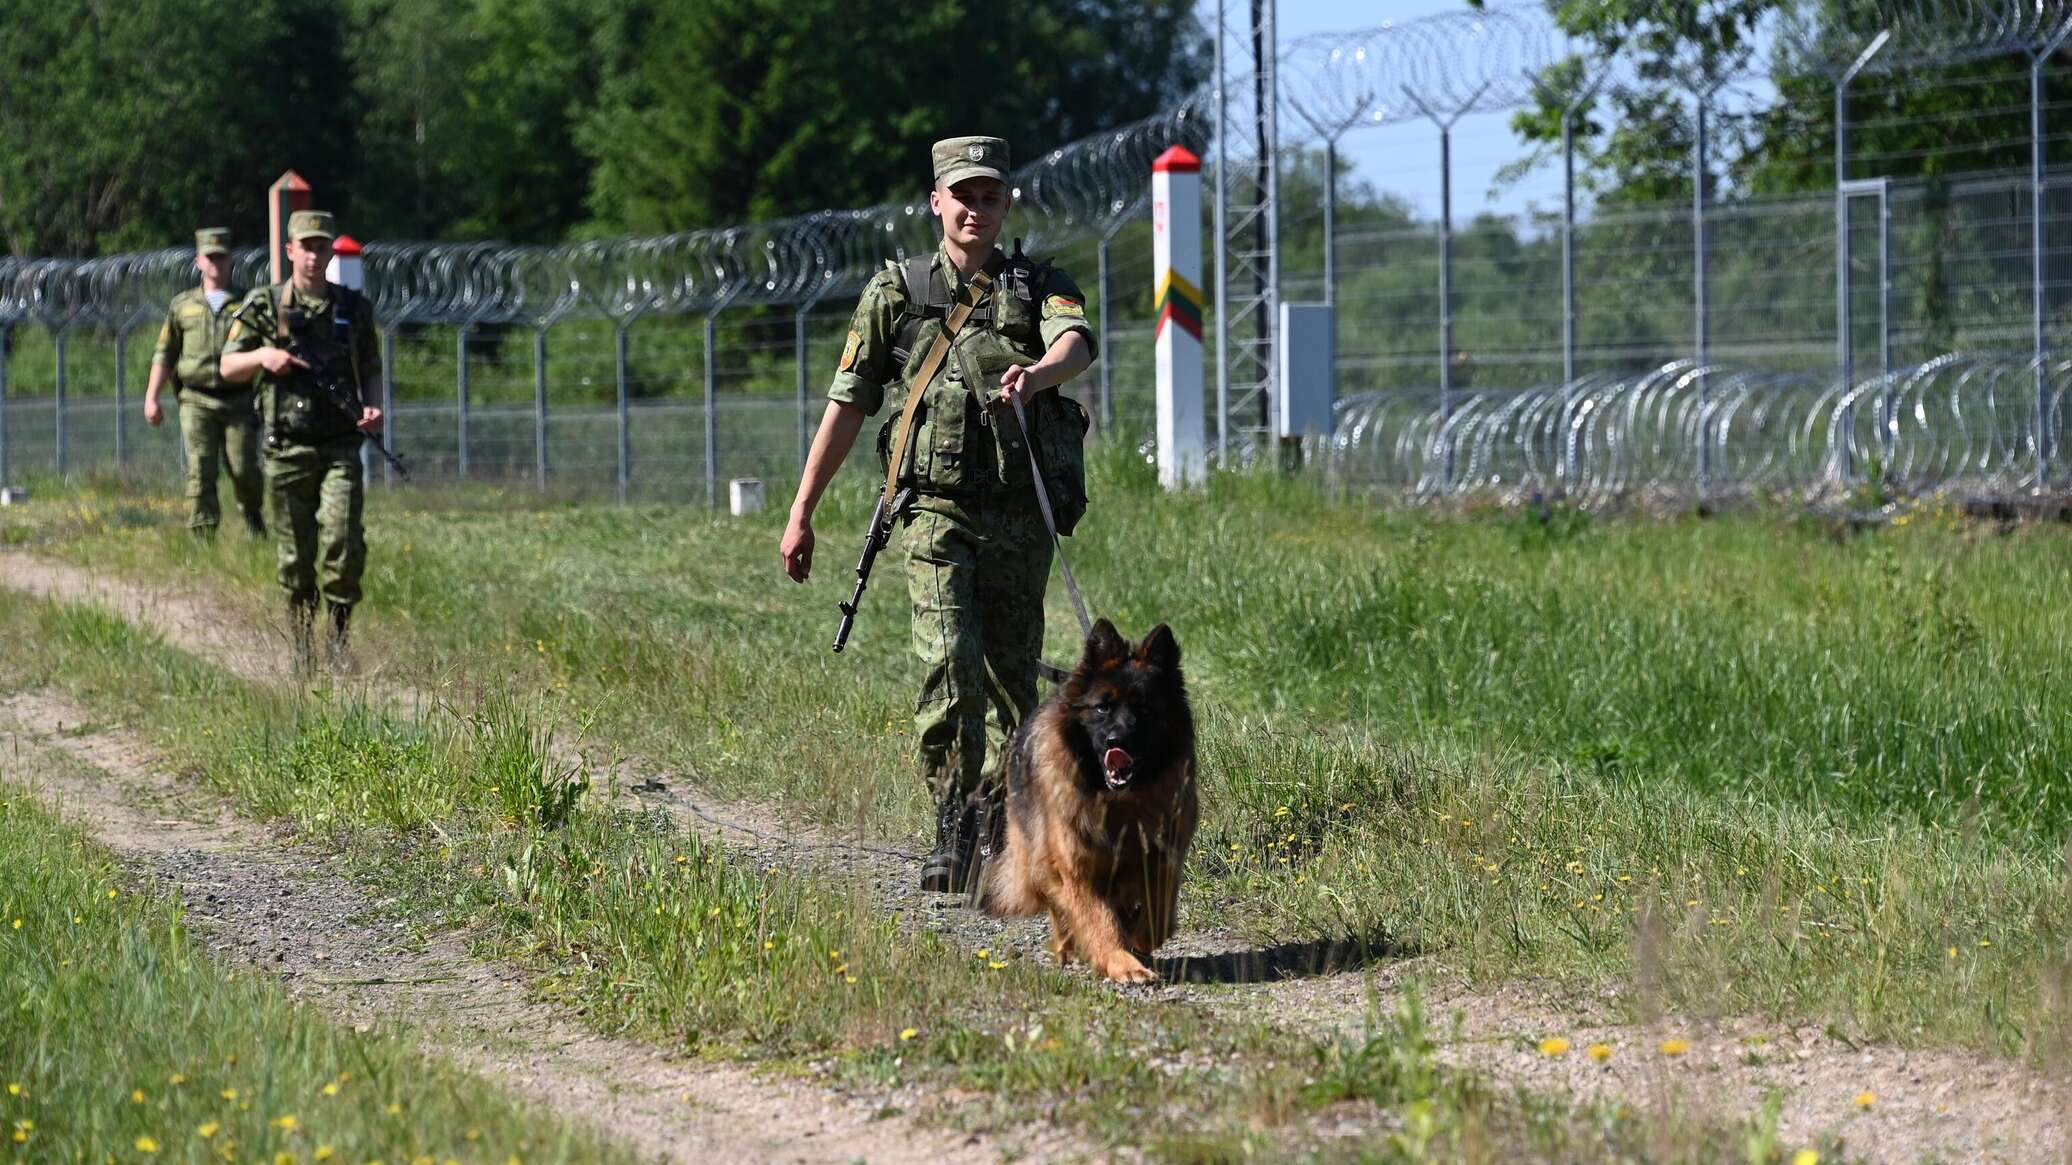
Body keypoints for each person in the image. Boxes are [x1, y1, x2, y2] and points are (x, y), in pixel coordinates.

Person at [780, 136, 1097, 893]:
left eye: (990, 197)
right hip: (931, 512)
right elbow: (848, 405)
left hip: (1019, 516)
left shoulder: (1039, 284)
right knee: (947, 661)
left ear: (1005, 204)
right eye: (963, 196)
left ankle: (998, 820)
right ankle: (953, 821)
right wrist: (802, 512)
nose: (975, 211)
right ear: (936, 201)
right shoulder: (898, 293)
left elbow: (1077, 344)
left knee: (1013, 681)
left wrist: (1039, 374)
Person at [219, 210, 384, 673]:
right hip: (286, 447)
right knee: (296, 559)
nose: (313, 255)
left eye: (321, 246)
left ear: (330, 250)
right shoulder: (264, 305)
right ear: (289, 251)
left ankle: (337, 640)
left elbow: (370, 366)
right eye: (305, 246)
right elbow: (227, 367)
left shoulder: (352, 308)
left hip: (340, 445)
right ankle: (302, 648)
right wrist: (264, 356)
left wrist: (373, 408)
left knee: (344, 543)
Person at [144, 228, 263, 536]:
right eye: (209, 257)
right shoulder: (183, 305)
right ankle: (202, 533)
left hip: (238, 399)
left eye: (221, 257)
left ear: (230, 260)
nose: (215, 264)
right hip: (196, 399)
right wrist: (152, 397)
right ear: (198, 261)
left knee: (244, 468)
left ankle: (252, 515)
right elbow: (165, 353)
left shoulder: (247, 303)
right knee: (201, 468)